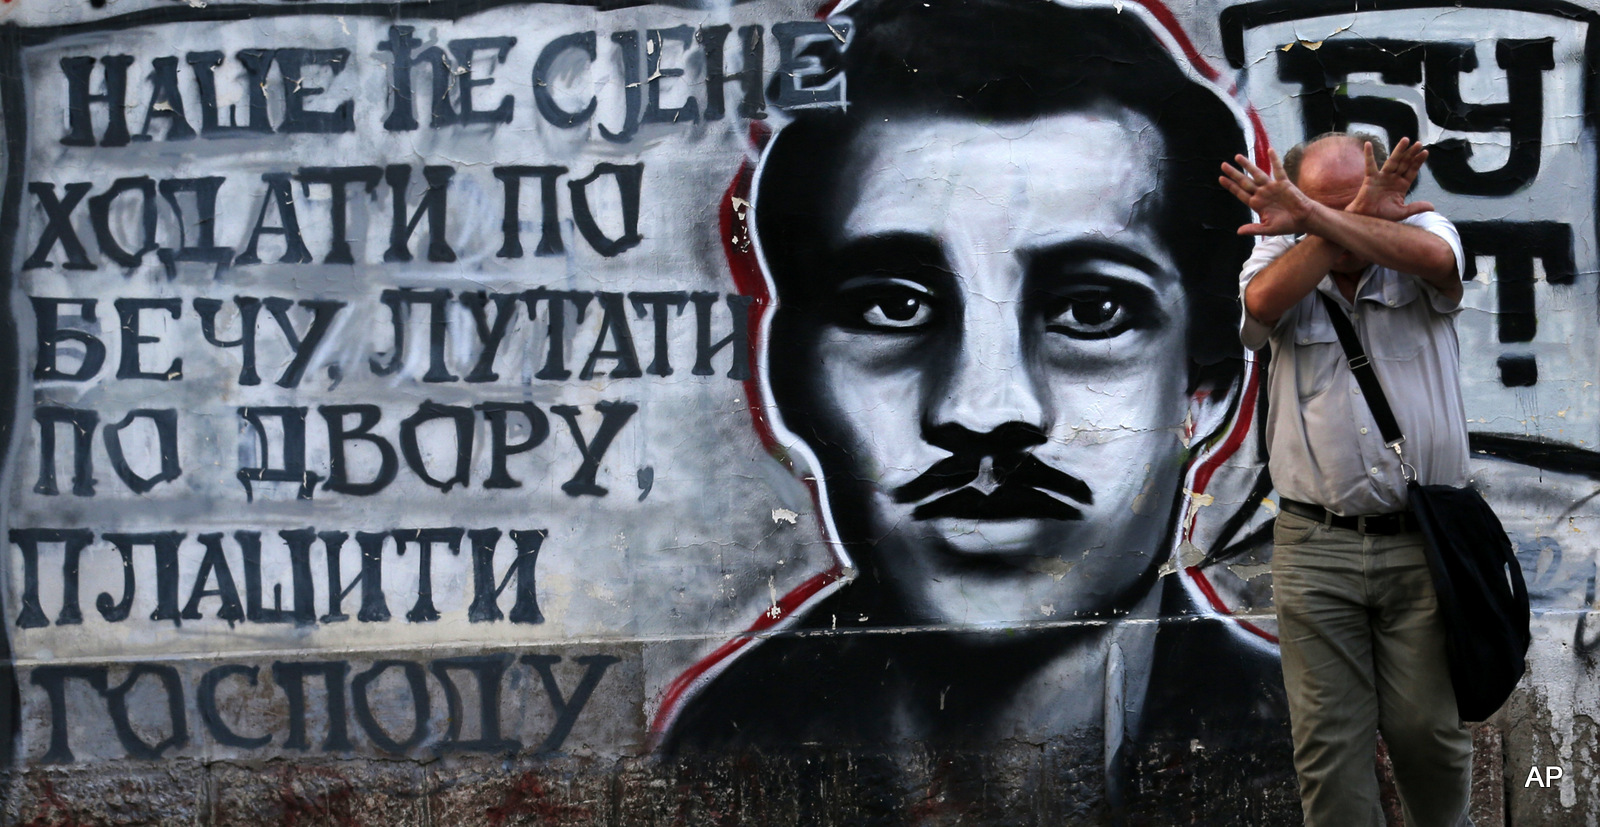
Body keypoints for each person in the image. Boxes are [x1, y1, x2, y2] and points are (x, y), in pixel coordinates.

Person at [657, 0, 1297, 819]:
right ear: (791, 384)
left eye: (1092, 310)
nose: (985, 408)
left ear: (1208, 389)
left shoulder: (1299, 753)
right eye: (893, 307)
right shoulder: (713, 771)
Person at [1221, 132, 1475, 826]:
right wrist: (1354, 217)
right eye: (1322, 204)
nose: (1349, 215)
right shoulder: (1278, 252)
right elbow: (1263, 305)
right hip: (1317, 545)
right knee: (1331, 754)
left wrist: (1321, 217)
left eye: (1358, 197)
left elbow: (1438, 260)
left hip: (1424, 544)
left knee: (1431, 737)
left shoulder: (1421, 225)